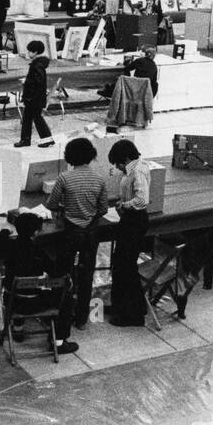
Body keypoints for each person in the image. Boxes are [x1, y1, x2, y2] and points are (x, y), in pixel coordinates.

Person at [0, 212, 77, 355]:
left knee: (19, 287)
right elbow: (56, 273)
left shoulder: (9, 246)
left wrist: (5, 231)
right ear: (36, 232)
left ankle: (17, 329)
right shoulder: (38, 252)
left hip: (12, 302)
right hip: (34, 303)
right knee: (67, 298)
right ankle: (58, 342)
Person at [45, 137, 108, 329]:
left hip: (71, 231)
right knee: (87, 274)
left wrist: (66, 207)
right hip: (90, 233)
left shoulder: (64, 178)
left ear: (69, 157)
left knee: (64, 273)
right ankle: (81, 319)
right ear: (91, 156)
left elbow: (51, 204)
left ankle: (61, 313)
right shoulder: (99, 179)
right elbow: (103, 209)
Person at [107, 139, 150, 328]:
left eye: (117, 163)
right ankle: (122, 306)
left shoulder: (137, 170)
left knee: (126, 267)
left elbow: (142, 200)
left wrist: (124, 205)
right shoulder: (134, 168)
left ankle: (133, 314)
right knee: (122, 264)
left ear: (124, 158)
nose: (117, 168)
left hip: (134, 221)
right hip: (130, 221)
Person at [15, 40, 54, 149]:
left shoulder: (36, 65)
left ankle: (46, 140)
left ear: (35, 52)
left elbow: (38, 81)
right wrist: (28, 80)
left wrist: (26, 82)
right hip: (37, 97)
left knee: (36, 118)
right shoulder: (40, 63)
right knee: (28, 118)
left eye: (30, 51)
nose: (28, 53)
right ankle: (26, 140)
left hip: (34, 98)